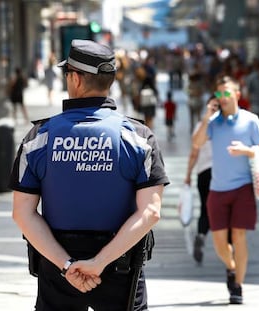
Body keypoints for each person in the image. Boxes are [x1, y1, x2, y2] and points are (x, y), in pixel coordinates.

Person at [9, 39, 169, 311]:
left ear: (76, 79)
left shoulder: (39, 138)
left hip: (57, 267)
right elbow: (150, 211)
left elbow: (22, 213)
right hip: (120, 265)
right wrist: (99, 263)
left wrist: (67, 265)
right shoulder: (139, 138)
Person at [192, 76, 259, 304]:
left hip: (243, 187)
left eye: (227, 93)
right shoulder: (213, 123)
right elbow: (196, 143)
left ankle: (237, 286)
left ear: (237, 94)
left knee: (238, 236)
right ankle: (231, 267)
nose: (223, 98)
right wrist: (207, 116)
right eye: (219, 94)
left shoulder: (251, 120)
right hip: (217, 188)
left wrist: (246, 150)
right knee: (218, 242)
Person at [185, 97, 214, 264]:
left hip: (203, 172)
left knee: (205, 209)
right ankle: (228, 243)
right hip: (219, 174)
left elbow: (194, 153)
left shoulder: (200, 126)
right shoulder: (224, 125)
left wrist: (188, 174)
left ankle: (201, 235)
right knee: (221, 210)